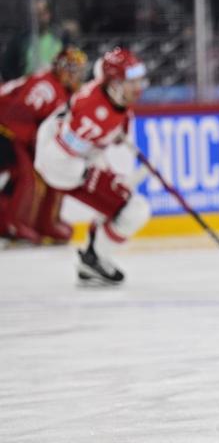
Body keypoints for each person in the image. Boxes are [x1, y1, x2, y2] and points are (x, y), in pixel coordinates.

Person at [33, 47, 152, 286]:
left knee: (124, 200)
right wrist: (90, 173)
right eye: (131, 82)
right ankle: (92, 259)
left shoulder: (109, 94)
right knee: (133, 210)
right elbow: (65, 152)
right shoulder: (94, 113)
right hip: (62, 166)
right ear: (115, 83)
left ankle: (93, 252)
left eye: (139, 80)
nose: (137, 87)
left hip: (67, 156)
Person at [0, 47, 88, 244]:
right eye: (71, 69)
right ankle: (10, 224)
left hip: (12, 133)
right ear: (60, 68)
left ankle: (37, 223)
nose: (75, 75)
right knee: (27, 176)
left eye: (78, 71)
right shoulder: (45, 86)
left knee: (34, 174)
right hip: (6, 131)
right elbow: (18, 114)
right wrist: (36, 143)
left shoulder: (62, 91)